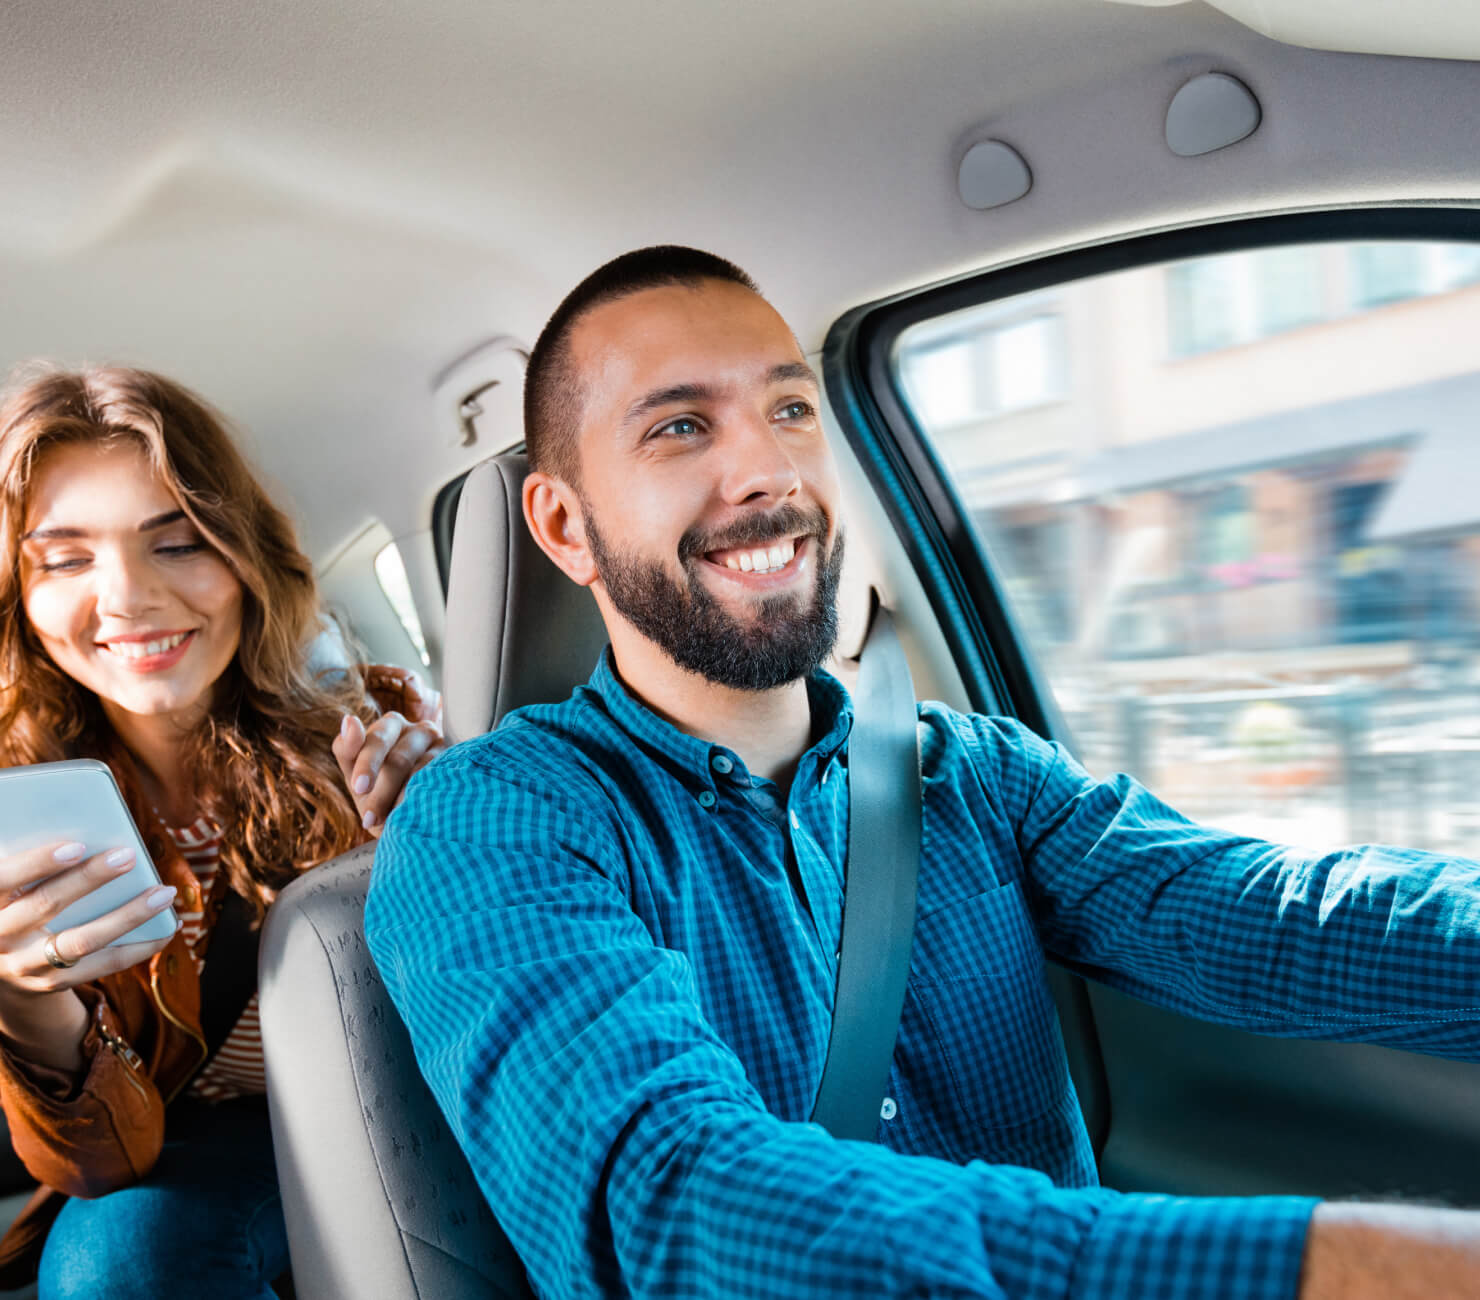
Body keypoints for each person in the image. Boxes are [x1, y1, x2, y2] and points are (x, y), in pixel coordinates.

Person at [365, 246, 1480, 1299]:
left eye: (790, 408)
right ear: (564, 526)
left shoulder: (976, 775)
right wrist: (1339, 1265)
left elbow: (1271, 919)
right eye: (680, 427)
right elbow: (677, 1200)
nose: (767, 468)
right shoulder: (492, 825)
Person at [0, 365, 444, 1298]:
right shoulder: (14, 813)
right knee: (117, 1257)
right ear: (21, 599)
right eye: (67, 559)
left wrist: (436, 842)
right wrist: (28, 1005)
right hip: (170, 1153)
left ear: (245, 557)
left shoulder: (382, 731)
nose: (127, 599)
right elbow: (102, 1168)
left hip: (380, 1110)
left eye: (179, 542)